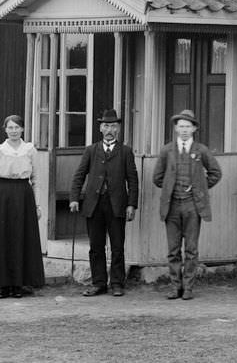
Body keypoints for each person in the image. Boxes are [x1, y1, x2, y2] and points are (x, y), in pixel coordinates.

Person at [151, 109, 222, 300]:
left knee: (191, 249)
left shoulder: (201, 150)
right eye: (181, 126)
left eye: (188, 126)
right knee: (173, 250)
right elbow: (157, 178)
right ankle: (176, 287)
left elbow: (216, 173)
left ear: (194, 129)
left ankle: (188, 287)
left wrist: (200, 187)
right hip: (172, 206)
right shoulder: (167, 150)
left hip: (192, 206)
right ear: (175, 128)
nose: (184, 130)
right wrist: (170, 188)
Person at [69, 108, 139, 297]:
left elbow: (132, 179)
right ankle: (99, 283)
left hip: (117, 205)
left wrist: (132, 204)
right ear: (100, 128)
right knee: (96, 246)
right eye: (106, 125)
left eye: (113, 126)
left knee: (117, 245)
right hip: (94, 204)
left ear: (118, 129)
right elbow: (79, 175)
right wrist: (74, 198)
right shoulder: (91, 150)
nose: (109, 129)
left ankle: (117, 283)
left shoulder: (125, 152)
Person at [0, 114, 46, 299]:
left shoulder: (30, 150)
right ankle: (3, 285)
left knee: (21, 238)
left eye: (17, 127)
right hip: (4, 196)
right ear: (5, 129)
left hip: (24, 196)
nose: (14, 131)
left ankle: (19, 284)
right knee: (3, 240)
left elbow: (37, 178)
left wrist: (37, 204)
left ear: (23, 129)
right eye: (10, 128)